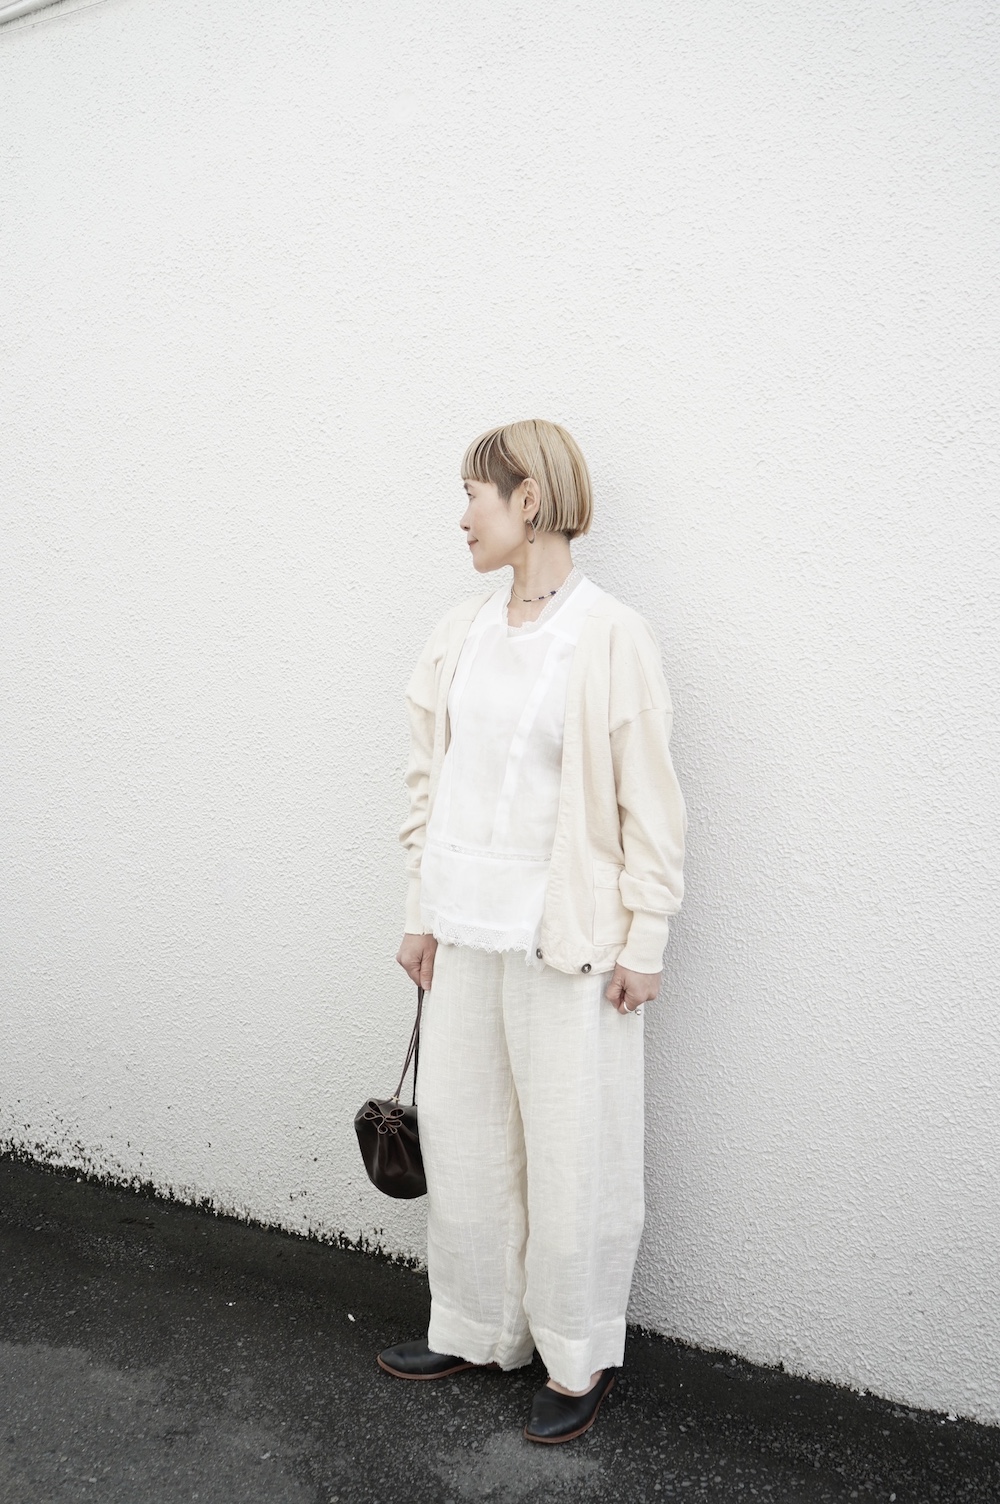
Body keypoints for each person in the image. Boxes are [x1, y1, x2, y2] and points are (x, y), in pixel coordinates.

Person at [377, 419, 686, 1444]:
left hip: (570, 945)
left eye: (476, 494)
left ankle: (574, 1355)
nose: (462, 516)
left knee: (573, 1158)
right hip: (464, 932)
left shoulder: (609, 636)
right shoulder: (459, 632)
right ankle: (472, 1328)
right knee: (465, 1145)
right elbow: (429, 782)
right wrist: (420, 914)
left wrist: (646, 939)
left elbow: (651, 803)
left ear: (531, 502)